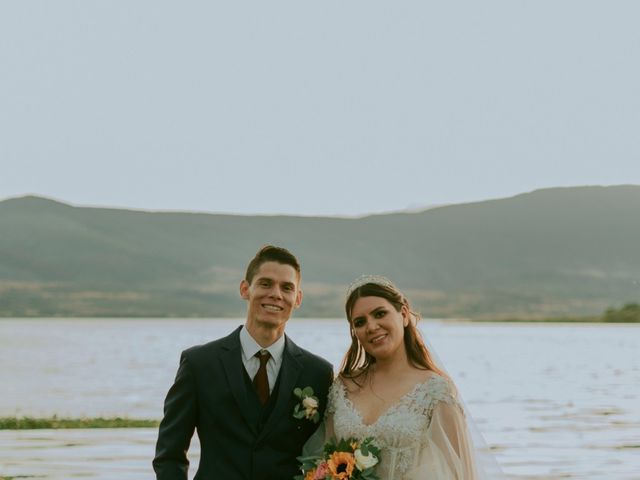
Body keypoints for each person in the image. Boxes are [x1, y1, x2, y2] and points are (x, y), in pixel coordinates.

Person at [153, 245, 333, 480]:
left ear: (297, 298)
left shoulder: (318, 373)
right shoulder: (199, 364)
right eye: (266, 284)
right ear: (245, 289)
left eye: (286, 288)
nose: (276, 294)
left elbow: (323, 456)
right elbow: (170, 454)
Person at [321, 275, 498, 479]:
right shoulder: (343, 387)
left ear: (404, 314)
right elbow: (326, 461)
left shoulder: (435, 391)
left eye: (380, 314)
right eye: (360, 322)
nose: (371, 327)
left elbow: (459, 471)